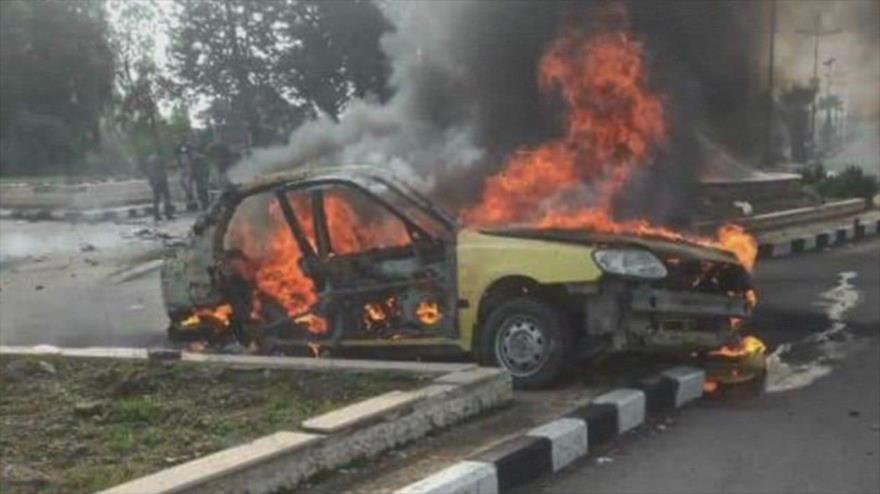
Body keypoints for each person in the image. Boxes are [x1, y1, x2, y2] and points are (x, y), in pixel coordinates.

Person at [141, 153, 174, 221]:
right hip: (161, 180)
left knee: (156, 198)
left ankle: (156, 215)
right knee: (166, 196)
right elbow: (163, 168)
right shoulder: (158, 158)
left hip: (154, 181)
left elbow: (149, 172)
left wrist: (151, 181)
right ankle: (168, 214)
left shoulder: (149, 161)